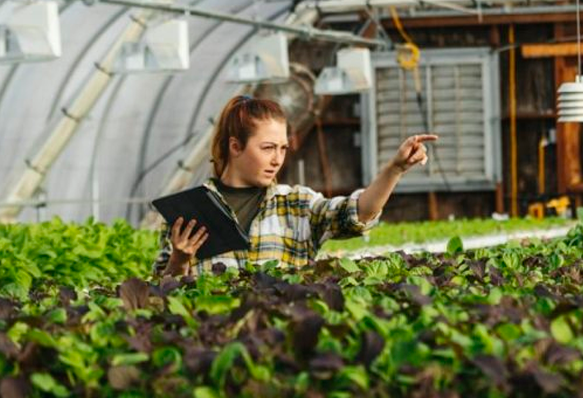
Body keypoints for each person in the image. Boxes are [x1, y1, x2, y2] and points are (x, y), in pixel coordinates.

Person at [154, 95, 437, 277]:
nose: (277, 159)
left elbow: (357, 214)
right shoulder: (189, 213)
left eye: (283, 148)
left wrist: (395, 169)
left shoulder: (297, 205)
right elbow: (159, 299)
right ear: (236, 146)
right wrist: (179, 261)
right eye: (267, 148)